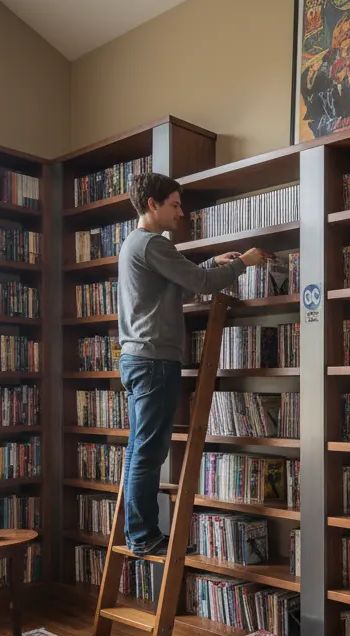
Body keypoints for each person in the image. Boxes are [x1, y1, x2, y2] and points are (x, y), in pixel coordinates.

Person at [117, 172, 270, 556]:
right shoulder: (152, 243)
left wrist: (210, 261)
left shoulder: (136, 244)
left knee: (140, 450)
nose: (181, 213)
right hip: (154, 360)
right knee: (149, 452)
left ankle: (138, 532)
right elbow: (200, 284)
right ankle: (143, 537)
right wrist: (244, 262)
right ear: (152, 204)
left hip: (138, 358)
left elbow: (181, 281)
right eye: (174, 204)